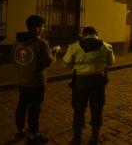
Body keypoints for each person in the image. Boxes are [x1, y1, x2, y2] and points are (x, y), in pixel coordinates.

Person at [63, 26, 114, 145]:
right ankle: (94, 139)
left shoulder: (74, 46)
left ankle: (77, 139)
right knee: (97, 110)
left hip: (80, 82)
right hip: (98, 82)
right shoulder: (107, 46)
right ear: (96, 34)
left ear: (83, 34)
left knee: (78, 110)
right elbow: (110, 63)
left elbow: (66, 64)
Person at [13, 15, 59, 144]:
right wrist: (54, 52)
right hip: (36, 82)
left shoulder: (17, 42)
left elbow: (16, 60)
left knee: (22, 105)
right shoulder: (40, 43)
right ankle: (33, 135)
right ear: (37, 28)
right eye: (43, 27)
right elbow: (47, 62)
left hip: (22, 80)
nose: (43, 29)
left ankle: (20, 129)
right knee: (34, 109)